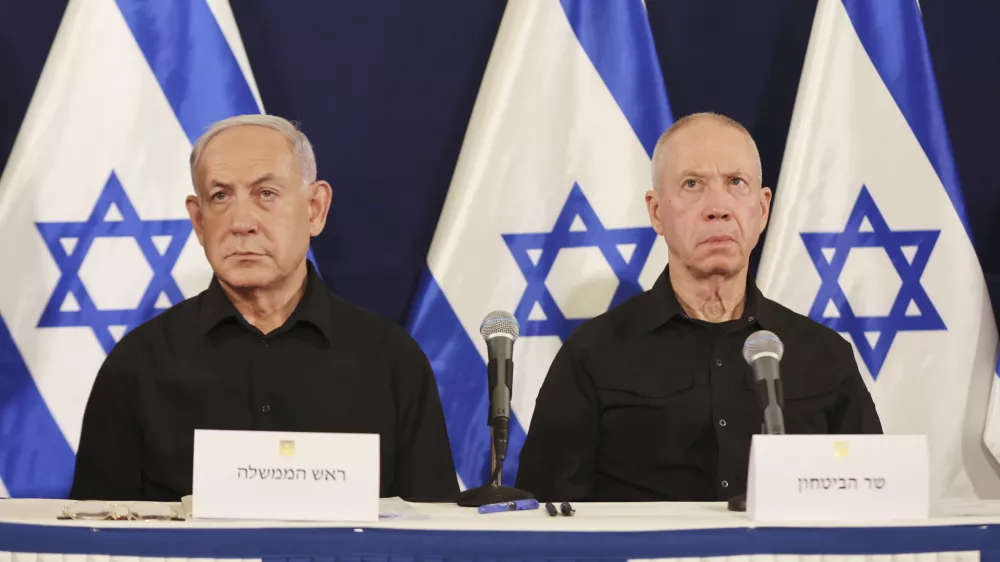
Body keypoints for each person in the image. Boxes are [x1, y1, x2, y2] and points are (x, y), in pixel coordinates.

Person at [70, 115, 458, 502]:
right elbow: (93, 539)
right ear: (199, 220)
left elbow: (434, 533)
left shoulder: (390, 361)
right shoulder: (138, 365)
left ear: (315, 209)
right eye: (220, 196)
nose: (241, 222)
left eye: (266, 194)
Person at [515, 112, 882, 502]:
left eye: (736, 183)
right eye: (692, 184)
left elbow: (872, 499)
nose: (718, 207)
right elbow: (546, 517)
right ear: (656, 212)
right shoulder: (593, 354)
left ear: (762, 210)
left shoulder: (824, 355)